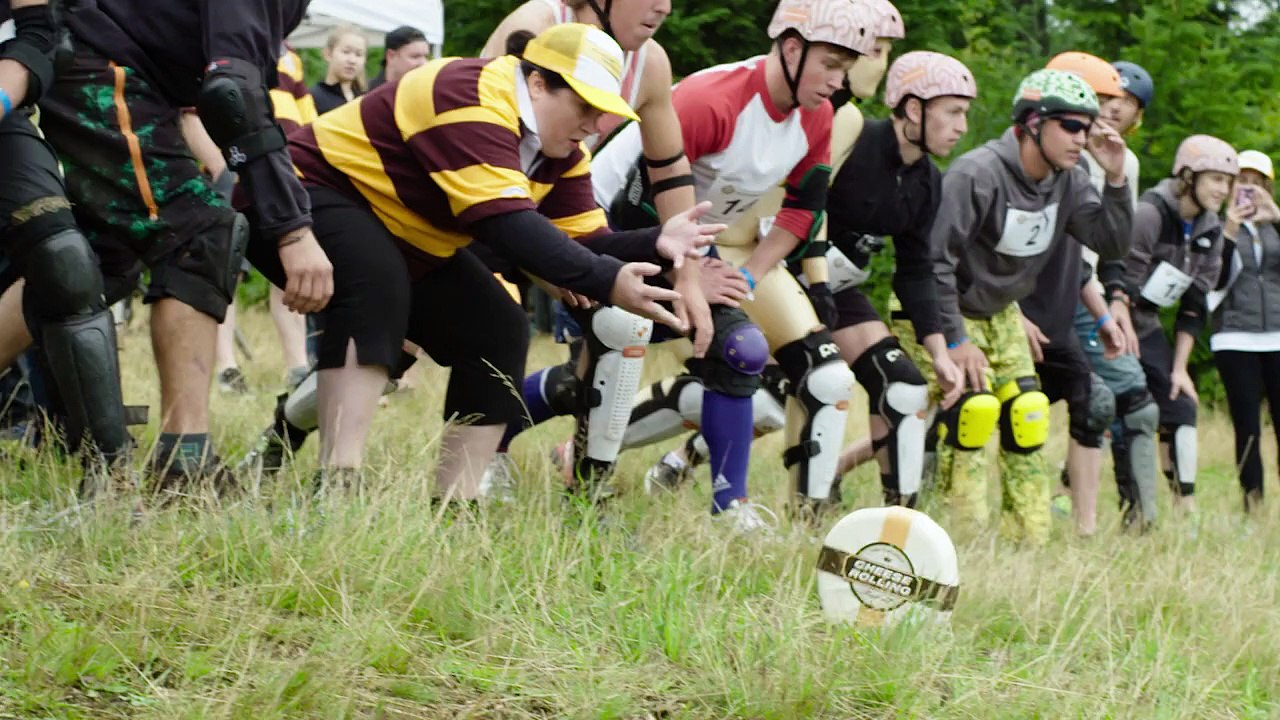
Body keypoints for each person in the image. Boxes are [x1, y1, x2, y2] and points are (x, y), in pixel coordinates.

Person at [241, 23, 719, 498]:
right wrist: (610, 280)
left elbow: (584, 239)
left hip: (407, 237)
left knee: (499, 328)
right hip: (304, 197)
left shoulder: (561, 153)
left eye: (603, 112)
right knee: (375, 278)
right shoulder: (466, 92)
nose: (595, 125)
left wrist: (656, 242)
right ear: (537, 83)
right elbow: (508, 225)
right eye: (585, 106)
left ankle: (456, 504)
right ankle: (337, 490)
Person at [0, 0, 326, 498]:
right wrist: (293, 231)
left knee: (90, 266)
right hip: (94, 59)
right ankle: (184, 462)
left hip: (101, 64)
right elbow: (232, 91)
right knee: (199, 235)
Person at [586, 0, 871, 526]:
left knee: (742, 349)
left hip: (686, 235)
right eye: (830, 64)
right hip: (612, 223)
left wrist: (748, 275)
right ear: (791, 47)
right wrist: (685, 272)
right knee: (596, 363)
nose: (837, 81)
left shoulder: (819, 116)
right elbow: (635, 198)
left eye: (845, 69)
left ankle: (728, 506)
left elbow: (804, 208)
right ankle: (536, 457)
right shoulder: (715, 99)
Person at [913, 68, 1132, 544]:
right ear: (1033, 122)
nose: (1082, 139)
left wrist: (1116, 178)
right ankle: (958, 536)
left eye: (1088, 128)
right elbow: (934, 264)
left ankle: (1027, 539)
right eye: (1071, 126)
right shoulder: (978, 174)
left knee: (1028, 412)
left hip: (1000, 312)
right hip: (939, 307)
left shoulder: (1069, 181)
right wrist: (956, 339)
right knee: (973, 412)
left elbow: (1110, 243)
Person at [1016, 51, 1131, 536]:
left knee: (1096, 402)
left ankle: (1085, 530)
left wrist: (1105, 316)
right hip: (1006, 315)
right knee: (947, 415)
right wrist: (1009, 315)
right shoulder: (1012, 167)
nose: (1102, 114)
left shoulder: (1077, 174)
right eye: (1093, 103)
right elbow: (976, 259)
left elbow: (1089, 256)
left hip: (1058, 317)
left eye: (1106, 104)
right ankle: (845, 471)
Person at [1124, 135, 1237, 515]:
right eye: (1216, 179)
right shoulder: (1150, 213)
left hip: (1147, 323)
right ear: (1189, 176)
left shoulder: (1211, 229)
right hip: (1115, 321)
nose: (1224, 189)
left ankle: (1184, 505)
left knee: (1181, 402)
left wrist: (1179, 369)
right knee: (1118, 405)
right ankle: (1066, 488)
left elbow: (1194, 304)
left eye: (1228, 181)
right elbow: (1121, 283)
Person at [1072, 59, 1163, 531]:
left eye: (1125, 103)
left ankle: (1140, 524)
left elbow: (1115, 242)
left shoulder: (1124, 161)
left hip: (1091, 290)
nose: (1114, 107)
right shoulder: (1061, 143)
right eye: (1107, 97)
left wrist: (1118, 299)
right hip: (1044, 288)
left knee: (1133, 401)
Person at [1211, 150, 1280, 512]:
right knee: (1247, 425)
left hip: (1277, 335)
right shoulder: (1216, 225)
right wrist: (1230, 229)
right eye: (1243, 181)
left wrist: (1277, 217)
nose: (1249, 190)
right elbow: (1214, 279)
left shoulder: (1274, 226)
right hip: (1235, 336)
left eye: (1258, 183)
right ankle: (1252, 502)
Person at [311, 25, 367, 115]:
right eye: (346, 52)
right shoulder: (312, 98)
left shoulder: (365, 100)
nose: (352, 60)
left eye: (358, 54)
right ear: (328, 54)